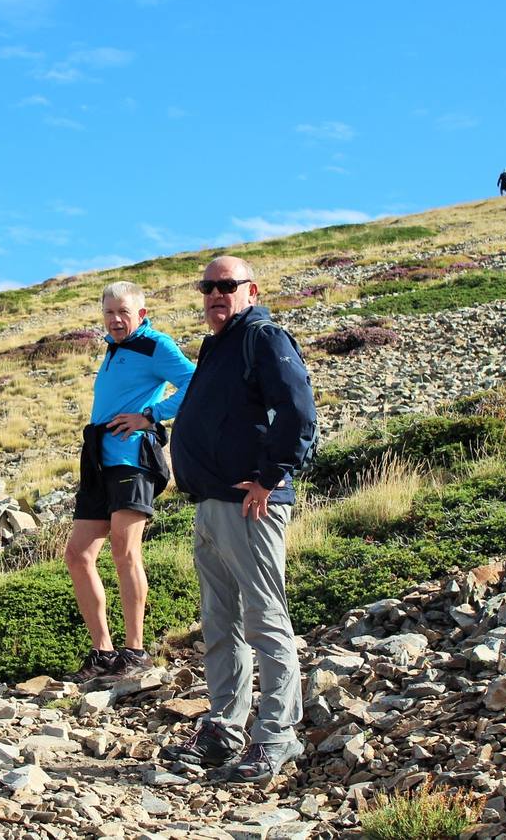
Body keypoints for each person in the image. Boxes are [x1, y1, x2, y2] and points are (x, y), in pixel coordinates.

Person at [161, 256, 318, 784]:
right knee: (220, 622)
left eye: (225, 286)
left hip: (250, 503)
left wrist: (269, 476)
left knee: (264, 620)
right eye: (207, 287)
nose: (214, 295)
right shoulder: (218, 344)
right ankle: (224, 729)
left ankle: (276, 736)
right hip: (212, 504)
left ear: (251, 289)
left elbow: (298, 411)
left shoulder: (265, 336)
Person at [66, 281, 196, 683]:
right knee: (78, 556)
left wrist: (151, 415)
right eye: (109, 313)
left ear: (141, 313)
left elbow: (195, 381)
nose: (116, 319)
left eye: (123, 312)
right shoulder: (114, 347)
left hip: (133, 459)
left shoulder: (154, 344)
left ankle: (135, 651)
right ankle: (103, 652)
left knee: (125, 549)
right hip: (98, 460)